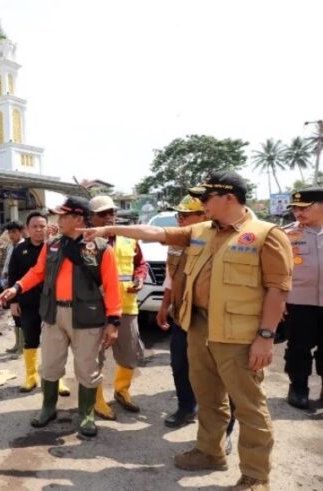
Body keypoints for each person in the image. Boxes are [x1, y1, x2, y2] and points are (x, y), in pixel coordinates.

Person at [81, 170, 292, 491]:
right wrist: (109, 227)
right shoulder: (201, 230)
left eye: (206, 197)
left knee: (249, 406)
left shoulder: (266, 234)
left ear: (229, 198)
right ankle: (210, 451)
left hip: (240, 334)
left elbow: (278, 290)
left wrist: (266, 337)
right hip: (199, 326)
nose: (200, 203)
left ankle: (255, 476)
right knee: (207, 397)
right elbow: (153, 232)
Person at [0, 196, 123, 439]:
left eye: (63, 216)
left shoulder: (100, 248)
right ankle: (48, 408)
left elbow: (112, 286)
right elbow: (37, 271)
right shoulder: (52, 244)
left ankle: (86, 414)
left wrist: (114, 321)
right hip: (54, 314)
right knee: (50, 365)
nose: (58, 220)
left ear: (77, 219)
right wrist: (17, 288)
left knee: (87, 367)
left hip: (86, 316)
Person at [155, 196, 238, 448]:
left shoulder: (227, 240)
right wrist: (164, 304)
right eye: (178, 215)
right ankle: (186, 407)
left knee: (226, 374)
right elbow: (172, 276)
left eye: (185, 215)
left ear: (204, 216)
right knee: (180, 364)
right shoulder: (179, 241)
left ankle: (226, 430)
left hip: (221, 319)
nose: (179, 219)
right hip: (184, 314)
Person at [88, 196, 148, 419]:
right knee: (95, 356)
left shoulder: (128, 237)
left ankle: (122, 391)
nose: (108, 217)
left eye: (111, 212)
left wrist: (140, 278)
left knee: (130, 351)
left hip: (126, 306)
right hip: (96, 309)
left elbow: (140, 264)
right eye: (102, 214)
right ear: (91, 218)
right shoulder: (85, 240)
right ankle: (97, 399)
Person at [7, 212, 72, 395]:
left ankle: (58, 379)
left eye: (41, 226)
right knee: (30, 339)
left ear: (47, 227)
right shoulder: (19, 250)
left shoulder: (56, 246)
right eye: (34, 226)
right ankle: (31, 377)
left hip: (53, 302)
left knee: (57, 342)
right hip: (28, 302)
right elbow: (13, 276)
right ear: (27, 229)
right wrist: (13, 302)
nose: (38, 230)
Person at [283, 186, 323, 409]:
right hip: (298, 302)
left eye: (304, 207)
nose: (298, 212)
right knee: (299, 347)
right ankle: (298, 387)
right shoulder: (287, 235)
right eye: (294, 208)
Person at [1, 220, 26, 355]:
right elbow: (7, 264)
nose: (11, 235)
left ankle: (22, 346)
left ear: (21, 232)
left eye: (14, 232)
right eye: (9, 232)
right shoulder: (11, 246)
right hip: (9, 282)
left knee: (21, 313)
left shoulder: (24, 247)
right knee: (14, 314)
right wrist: (4, 279)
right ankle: (17, 344)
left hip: (19, 284)